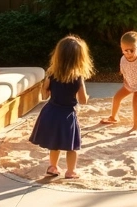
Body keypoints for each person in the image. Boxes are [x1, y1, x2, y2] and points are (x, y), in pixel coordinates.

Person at [29, 35, 94, 179]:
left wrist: (44, 88)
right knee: (72, 146)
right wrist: (87, 96)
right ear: (79, 58)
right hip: (67, 115)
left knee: (55, 143)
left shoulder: (52, 75)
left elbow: (44, 96)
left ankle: (53, 167)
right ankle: (70, 171)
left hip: (51, 112)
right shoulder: (78, 78)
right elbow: (83, 100)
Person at [101, 31, 137, 131]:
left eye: (132, 50)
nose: (128, 53)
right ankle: (113, 117)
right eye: (125, 50)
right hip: (129, 85)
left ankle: (135, 127)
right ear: (121, 48)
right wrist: (125, 82)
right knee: (116, 98)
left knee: (135, 103)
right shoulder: (123, 59)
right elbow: (124, 73)